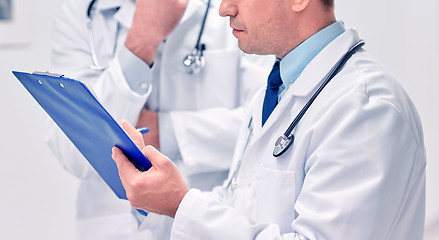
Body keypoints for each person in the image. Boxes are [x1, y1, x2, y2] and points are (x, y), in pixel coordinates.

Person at [112, 0, 427, 239]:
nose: (224, 8)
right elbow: (239, 201)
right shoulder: (277, 88)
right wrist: (157, 201)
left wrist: (181, 205)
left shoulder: (366, 110)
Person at [46, 0, 273, 239]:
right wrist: (141, 42)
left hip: (205, 221)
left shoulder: (240, 8)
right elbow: (71, 149)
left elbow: (268, 127)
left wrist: (166, 131)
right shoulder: (81, 15)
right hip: (110, 224)